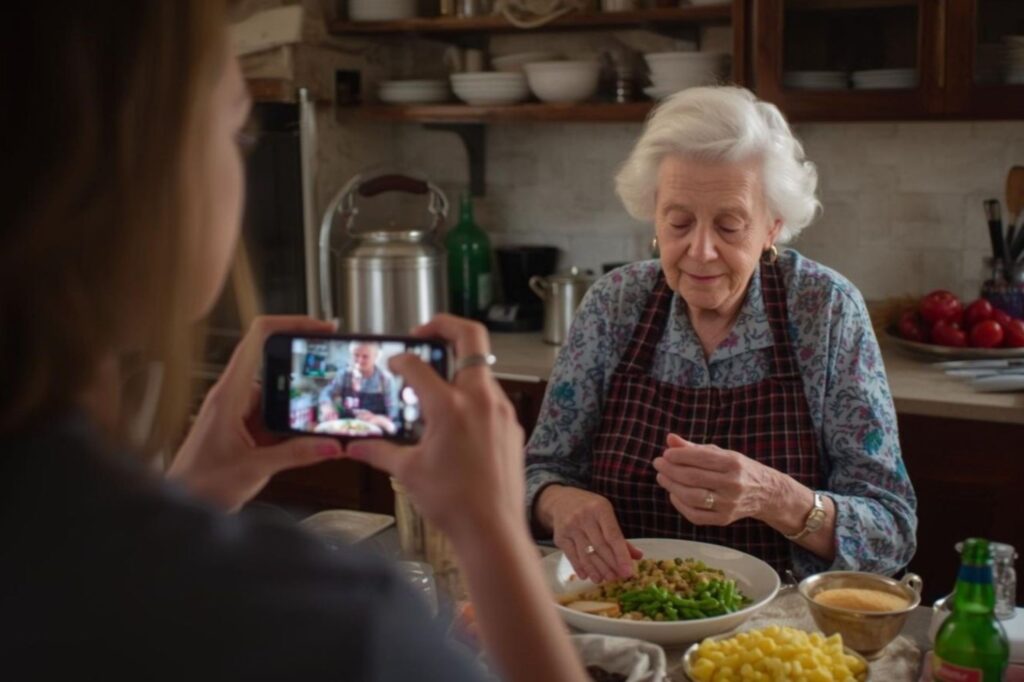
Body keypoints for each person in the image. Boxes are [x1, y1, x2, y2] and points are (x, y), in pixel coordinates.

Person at [0, 4, 586, 681]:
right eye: (236, 132)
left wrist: (195, 492)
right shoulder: (329, 624)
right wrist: (493, 536)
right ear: (136, 181)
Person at [525, 86, 917, 584]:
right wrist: (559, 501)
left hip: (778, 624)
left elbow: (891, 533)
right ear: (654, 216)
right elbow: (537, 473)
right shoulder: (614, 305)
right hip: (618, 609)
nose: (701, 250)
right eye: (679, 222)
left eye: (729, 226)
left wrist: (776, 497)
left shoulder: (825, 311)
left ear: (772, 228)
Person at [318, 342, 399, 433]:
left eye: (365, 356)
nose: (359, 360)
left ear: (375, 357)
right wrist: (327, 406)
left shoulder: (385, 379)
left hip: (375, 434)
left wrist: (376, 419)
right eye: (356, 355)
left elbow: (394, 419)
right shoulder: (344, 375)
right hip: (346, 430)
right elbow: (326, 392)